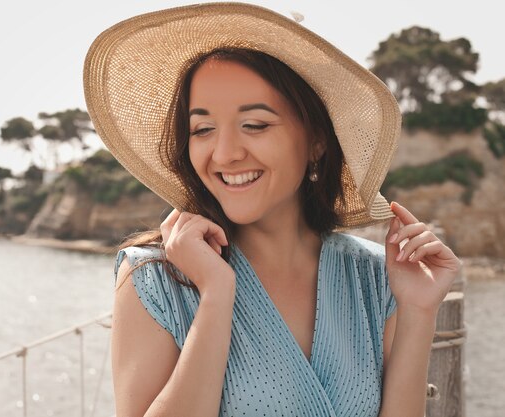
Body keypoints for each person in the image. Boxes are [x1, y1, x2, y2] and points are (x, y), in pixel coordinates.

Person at [82, 3, 461, 416]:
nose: (224, 154)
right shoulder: (153, 279)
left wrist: (420, 311)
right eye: (203, 129)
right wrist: (216, 294)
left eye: (256, 125)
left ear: (317, 140)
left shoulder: (375, 276)